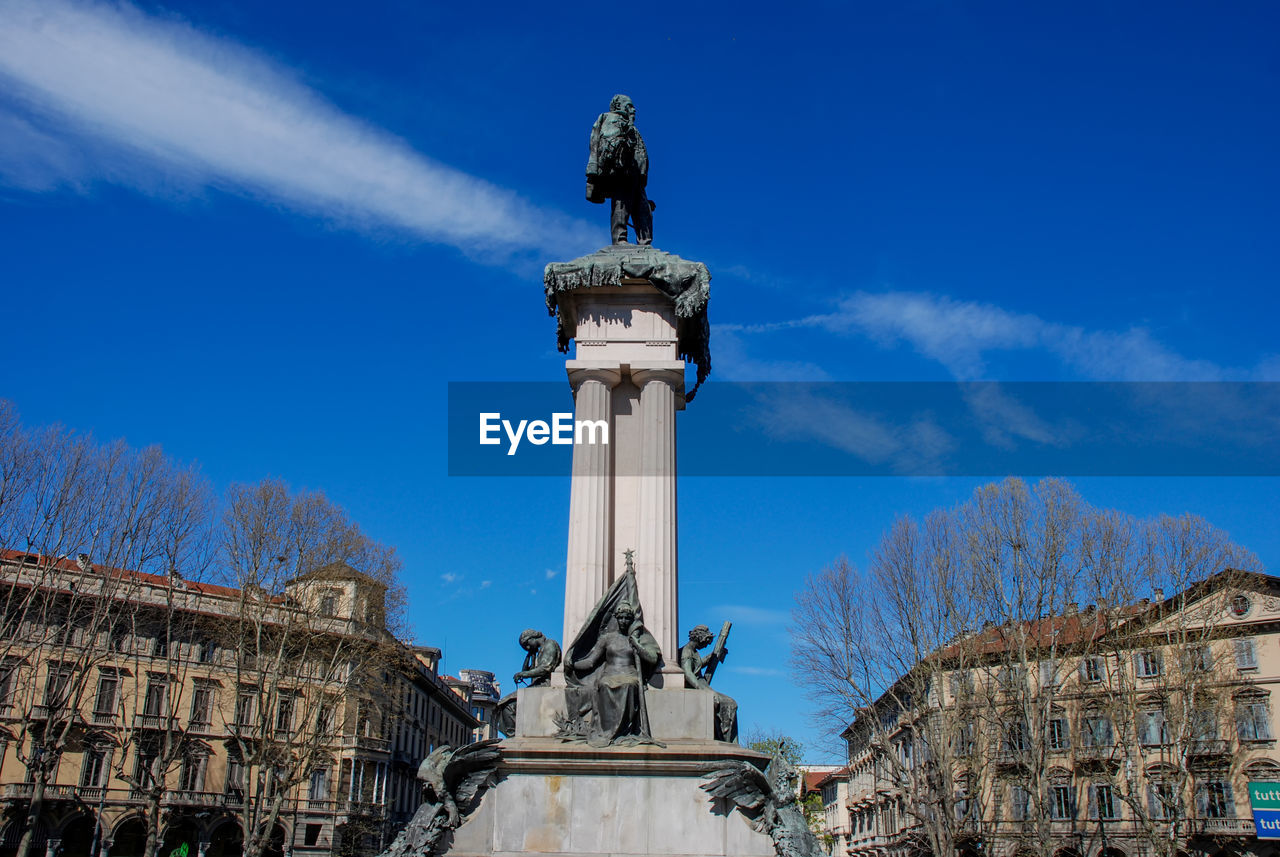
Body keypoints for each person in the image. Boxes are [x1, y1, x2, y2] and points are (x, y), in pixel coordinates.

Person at [570, 601, 661, 746]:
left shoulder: (637, 638)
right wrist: (572, 664)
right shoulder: (607, 638)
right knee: (603, 685)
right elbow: (591, 661)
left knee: (629, 686)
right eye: (621, 618)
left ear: (631, 619)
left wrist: (637, 644)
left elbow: (652, 658)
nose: (623, 621)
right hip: (610, 673)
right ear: (616, 618)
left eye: (627, 618)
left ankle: (622, 730)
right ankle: (606, 731)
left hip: (630, 673)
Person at [586, 94, 654, 245]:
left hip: (635, 175)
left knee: (644, 209)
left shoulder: (630, 126)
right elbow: (609, 140)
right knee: (621, 204)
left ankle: (644, 242)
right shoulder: (612, 118)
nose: (633, 109)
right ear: (618, 106)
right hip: (622, 171)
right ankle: (620, 239)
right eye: (629, 106)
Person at [680, 624, 739, 742]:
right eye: (707, 640)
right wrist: (702, 691)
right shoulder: (687, 652)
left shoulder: (693, 651)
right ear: (700, 638)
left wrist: (715, 655)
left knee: (731, 703)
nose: (707, 644)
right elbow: (688, 673)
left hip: (703, 685)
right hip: (699, 686)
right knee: (729, 704)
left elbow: (699, 664)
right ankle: (724, 738)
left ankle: (728, 740)